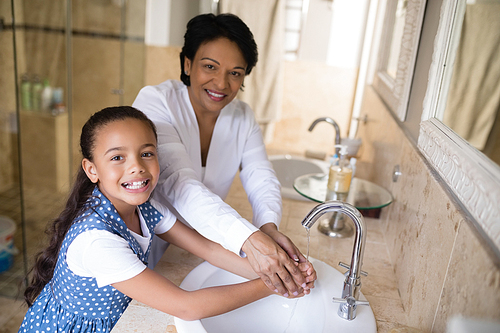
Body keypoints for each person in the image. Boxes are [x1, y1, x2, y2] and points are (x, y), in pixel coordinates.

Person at [19, 106, 315, 333]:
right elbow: (186, 306)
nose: (137, 167)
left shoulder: (145, 208)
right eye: (117, 158)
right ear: (91, 169)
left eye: (146, 153)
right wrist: (274, 285)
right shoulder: (96, 241)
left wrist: (277, 270)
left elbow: (209, 250)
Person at [133, 13, 315, 298]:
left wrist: (267, 226)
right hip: (149, 244)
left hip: (207, 244)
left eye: (235, 73)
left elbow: (260, 174)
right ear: (188, 64)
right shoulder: (156, 102)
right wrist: (248, 238)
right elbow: (179, 183)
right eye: (210, 66)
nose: (221, 83)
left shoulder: (242, 116)